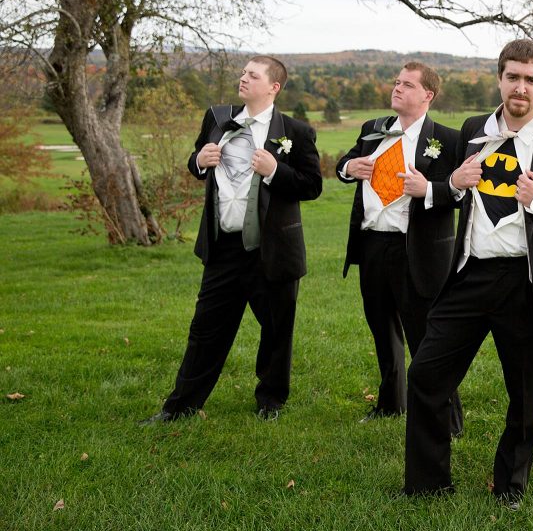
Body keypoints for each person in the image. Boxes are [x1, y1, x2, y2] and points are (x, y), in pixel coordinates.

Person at [403, 39, 533, 508]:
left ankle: (510, 486)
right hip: (469, 277)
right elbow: (446, 189)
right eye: (513, 77)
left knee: (526, 399)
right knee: (426, 377)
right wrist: (453, 183)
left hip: (526, 286)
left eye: (531, 79)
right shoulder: (472, 130)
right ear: (500, 79)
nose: (521, 88)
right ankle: (428, 483)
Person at [141, 55, 322, 424]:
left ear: (273, 87)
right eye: (243, 72)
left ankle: (271, 400)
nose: (243, 78)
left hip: (271, 250)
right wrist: (198, 160)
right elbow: (197, 163)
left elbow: (312, 186)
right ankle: (180, 407)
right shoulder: (218, 117)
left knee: (276, 330)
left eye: (252, 75)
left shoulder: (295, 131)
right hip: (223, 246)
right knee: (205, 329)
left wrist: (275, 171)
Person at [336, 61, 462, 434]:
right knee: (382, 328)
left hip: (419, 251)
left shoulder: (448, 139)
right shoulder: (373, 131)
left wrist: (430, 190)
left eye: (407, 85)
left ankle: (448, 418)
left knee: (427, 335)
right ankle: (392, 404)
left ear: (428, 95)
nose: (397, 89)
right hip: (373, 244)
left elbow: (462, 193)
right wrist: (348, 168)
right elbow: (346, 163)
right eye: (396, 82)